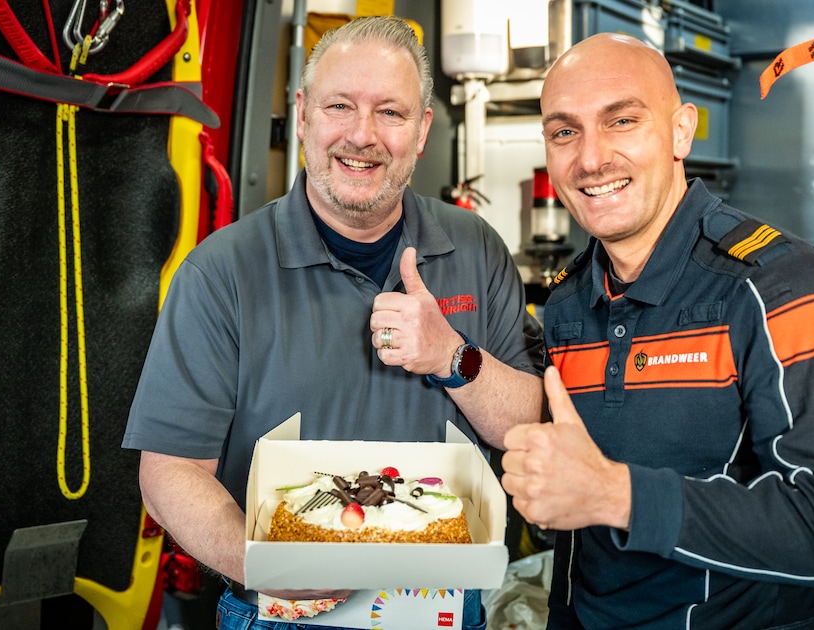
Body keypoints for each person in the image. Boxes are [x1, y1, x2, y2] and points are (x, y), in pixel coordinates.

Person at [122, 15, 545, 630]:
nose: (362, 135)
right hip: (281, 615)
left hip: (445, 609)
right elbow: (169, 471)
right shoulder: (221, 273)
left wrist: (454, 357)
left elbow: (527, 425)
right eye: (340, 106)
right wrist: (266, 563)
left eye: (390, 113)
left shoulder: (476, 248)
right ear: (302, 115)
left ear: (422, 131)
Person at [500, 33, 814, 629]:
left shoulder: (785, 286)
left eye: (622, 120)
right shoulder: (570, 300)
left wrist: (617, 494)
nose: (590, 159)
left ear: (681, 132)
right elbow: (578, 538)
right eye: (565, 131)